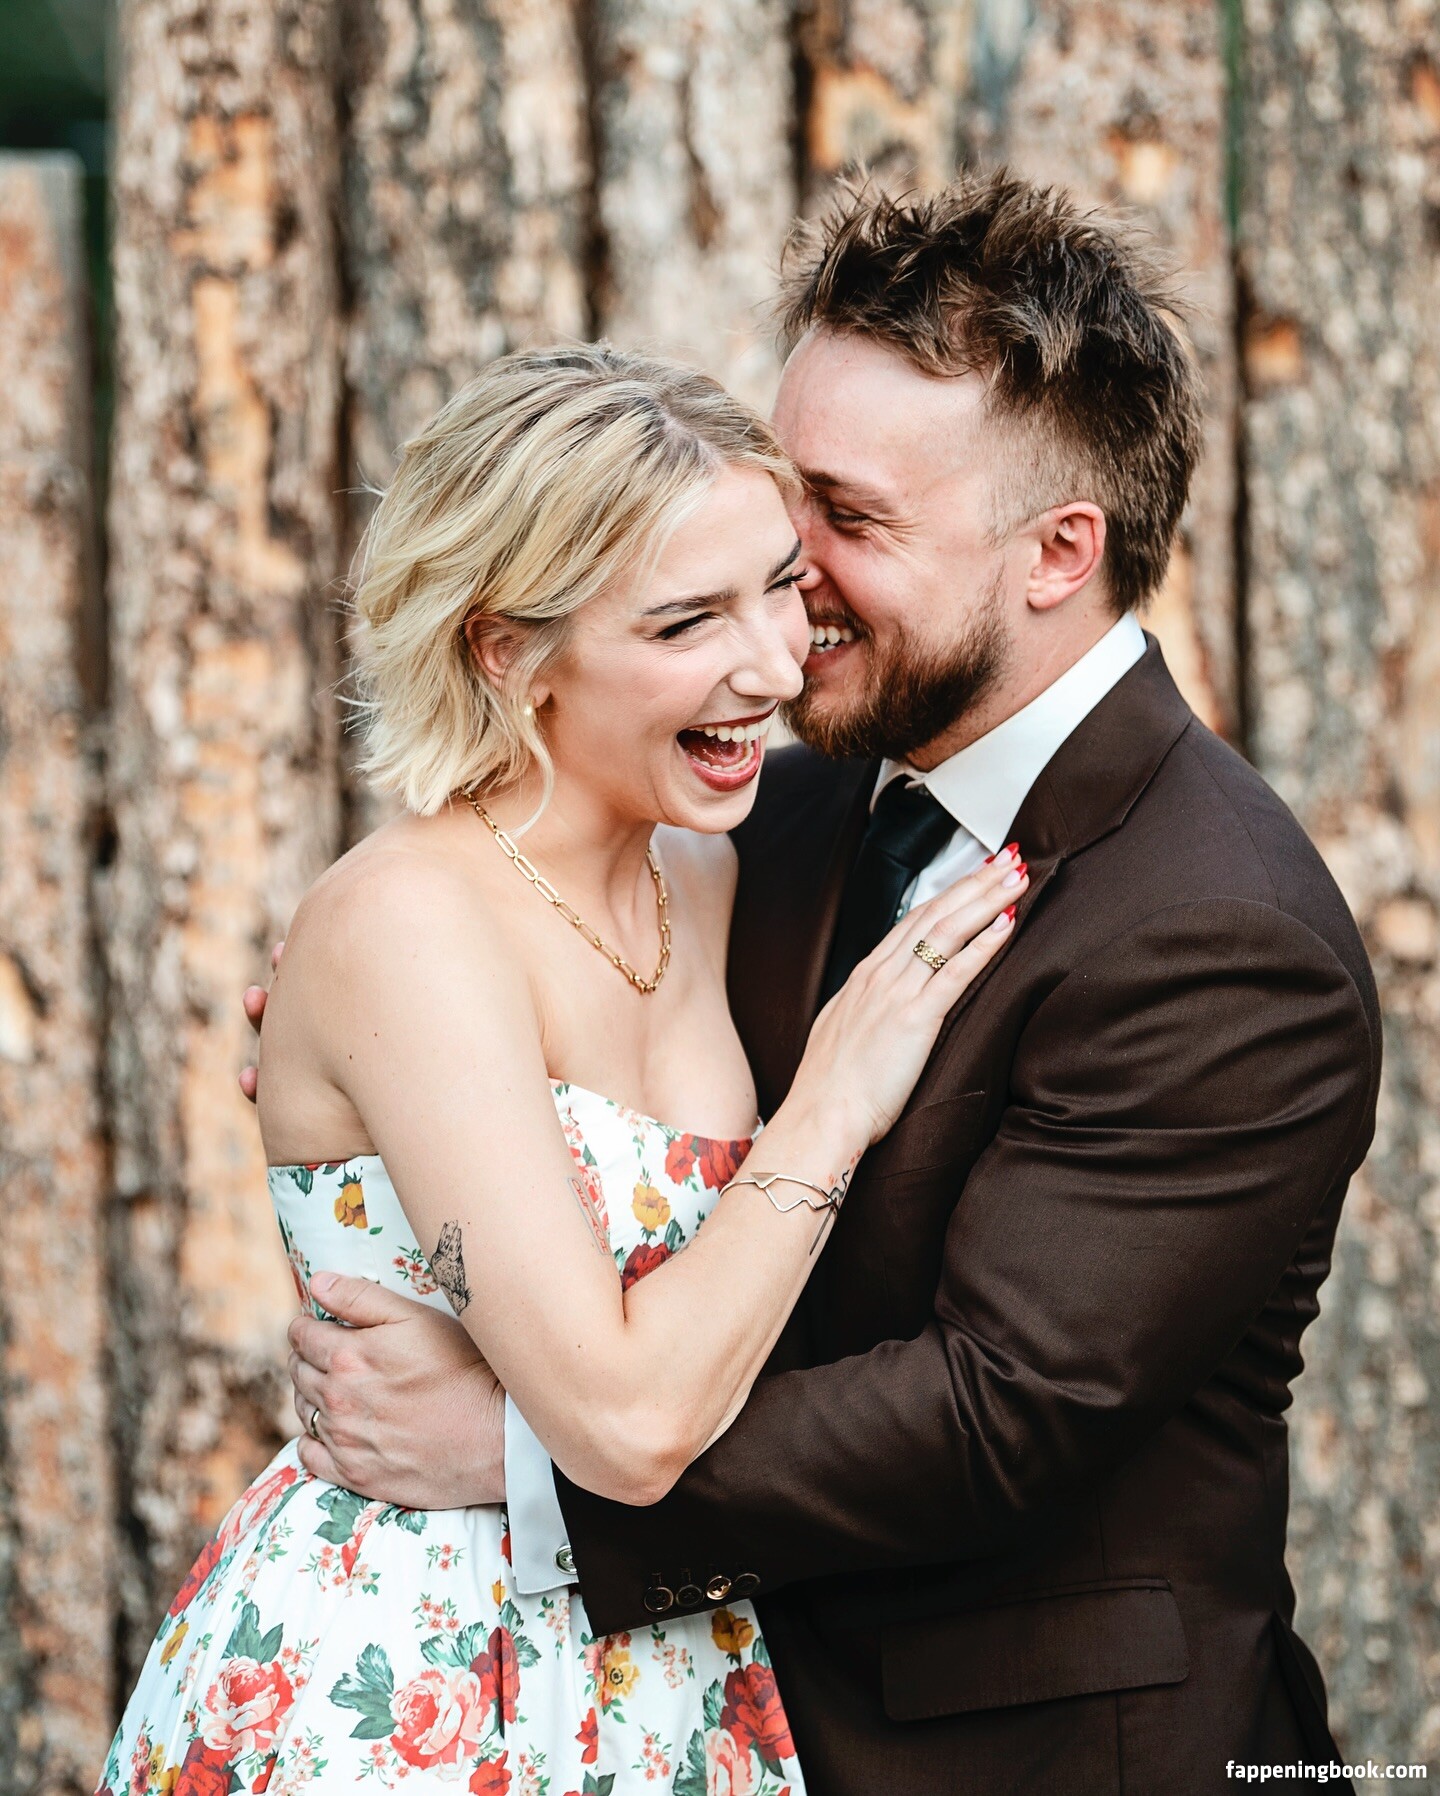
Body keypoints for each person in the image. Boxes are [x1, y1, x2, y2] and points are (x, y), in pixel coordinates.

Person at [264, 173, 1382, 1795]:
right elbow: (491, 962)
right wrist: (381, 1048)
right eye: (788, 516)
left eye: (849, 524)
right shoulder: (768, 817)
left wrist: (516, 1457)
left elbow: (997, 1412)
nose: (793, 589)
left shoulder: (1220, 929)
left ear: (1058, 552)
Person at [96, 345, 1026, 1796]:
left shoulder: (713, 873)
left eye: (780, 586)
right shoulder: (408, 924)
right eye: (686, 621)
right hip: (409, 1681)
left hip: (677, 1670)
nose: (776, 665)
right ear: (504, 651)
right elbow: (630, 1424)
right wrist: (832, 1104)